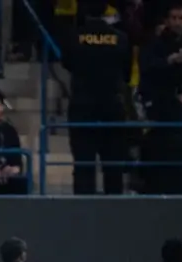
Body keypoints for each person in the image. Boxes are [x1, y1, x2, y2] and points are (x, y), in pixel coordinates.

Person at [63, 0, 131, 195]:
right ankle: (114, 213)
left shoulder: (74, 37)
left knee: (84, 165)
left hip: (82, 106)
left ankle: (83, 213)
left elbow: (67, 63)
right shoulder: (121, 38)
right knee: (113, 166)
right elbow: (126, 73)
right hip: (112, 106)